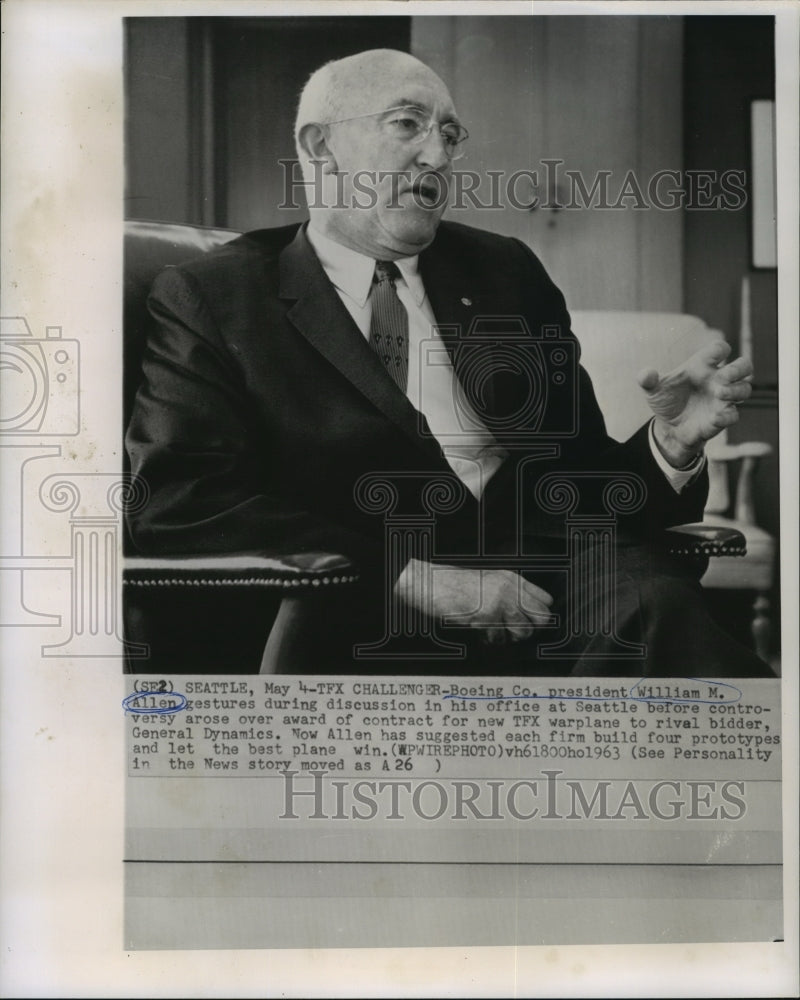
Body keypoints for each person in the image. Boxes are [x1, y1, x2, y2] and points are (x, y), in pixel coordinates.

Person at [125, 48, 770, 677]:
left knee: (657, 610)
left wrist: (670, 445)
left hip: (553, 589)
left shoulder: (504, 271)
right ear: (321, 147)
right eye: (407, 124)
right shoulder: (216, 296)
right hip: (362, 601)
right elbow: (179, 500)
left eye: (451, 135)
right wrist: (412, 578)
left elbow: (581, 476)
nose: (438, 155)